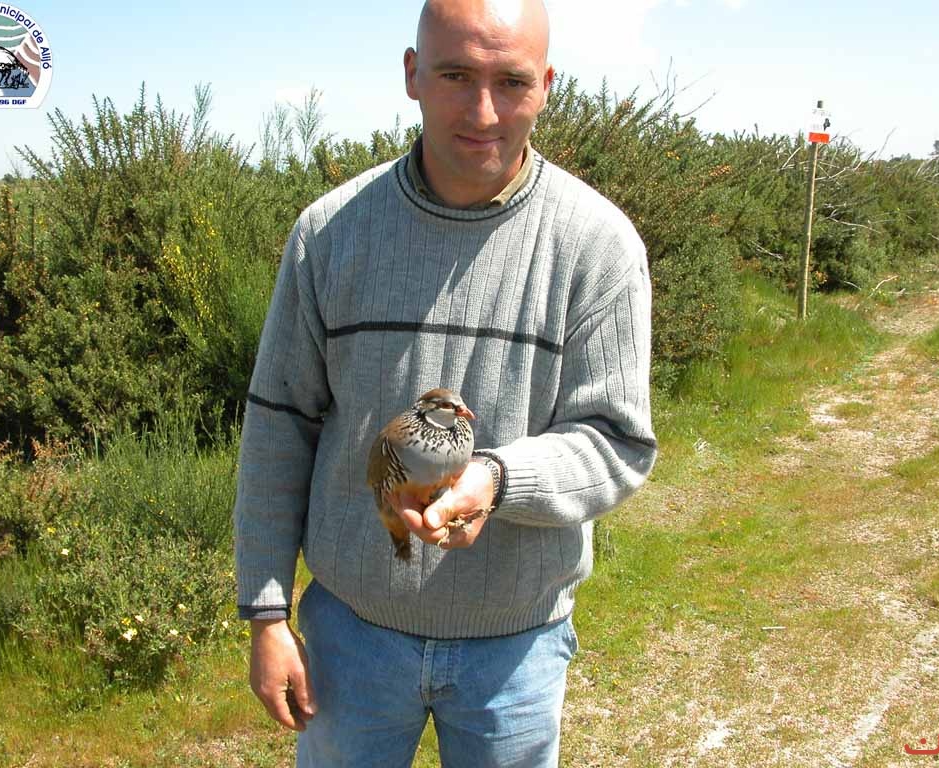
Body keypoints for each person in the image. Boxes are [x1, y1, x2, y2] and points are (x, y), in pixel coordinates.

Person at [233, 0, 657, 765]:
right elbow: (279, 425)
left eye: (511, 81)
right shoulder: (329, 235)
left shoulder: (598, 246)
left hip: (517, 649)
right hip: (350, 639)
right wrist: (266, 615)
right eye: (456, 75)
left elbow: (616, 441)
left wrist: (495, 479)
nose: (483, 111)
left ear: (547, 85)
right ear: (412, 74)